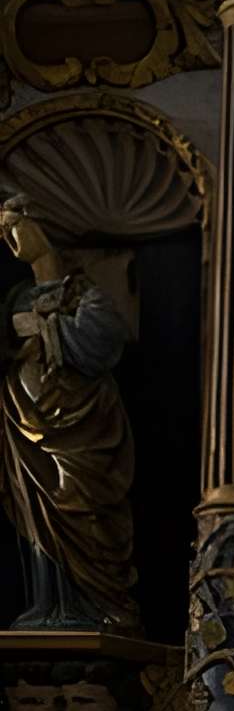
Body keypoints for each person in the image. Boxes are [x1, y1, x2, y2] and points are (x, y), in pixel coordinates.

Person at [0, 198, 137, 630]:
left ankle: (98, 602)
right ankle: (47, 605)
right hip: (22, 416)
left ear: (39, 227)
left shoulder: (84, 293)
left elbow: (105, 342)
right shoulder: (15, 297)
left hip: (80, 418)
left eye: (14, 227)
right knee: (35, 511)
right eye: (3, 233)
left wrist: (48, 326)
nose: (8, 240)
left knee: (80, 504)